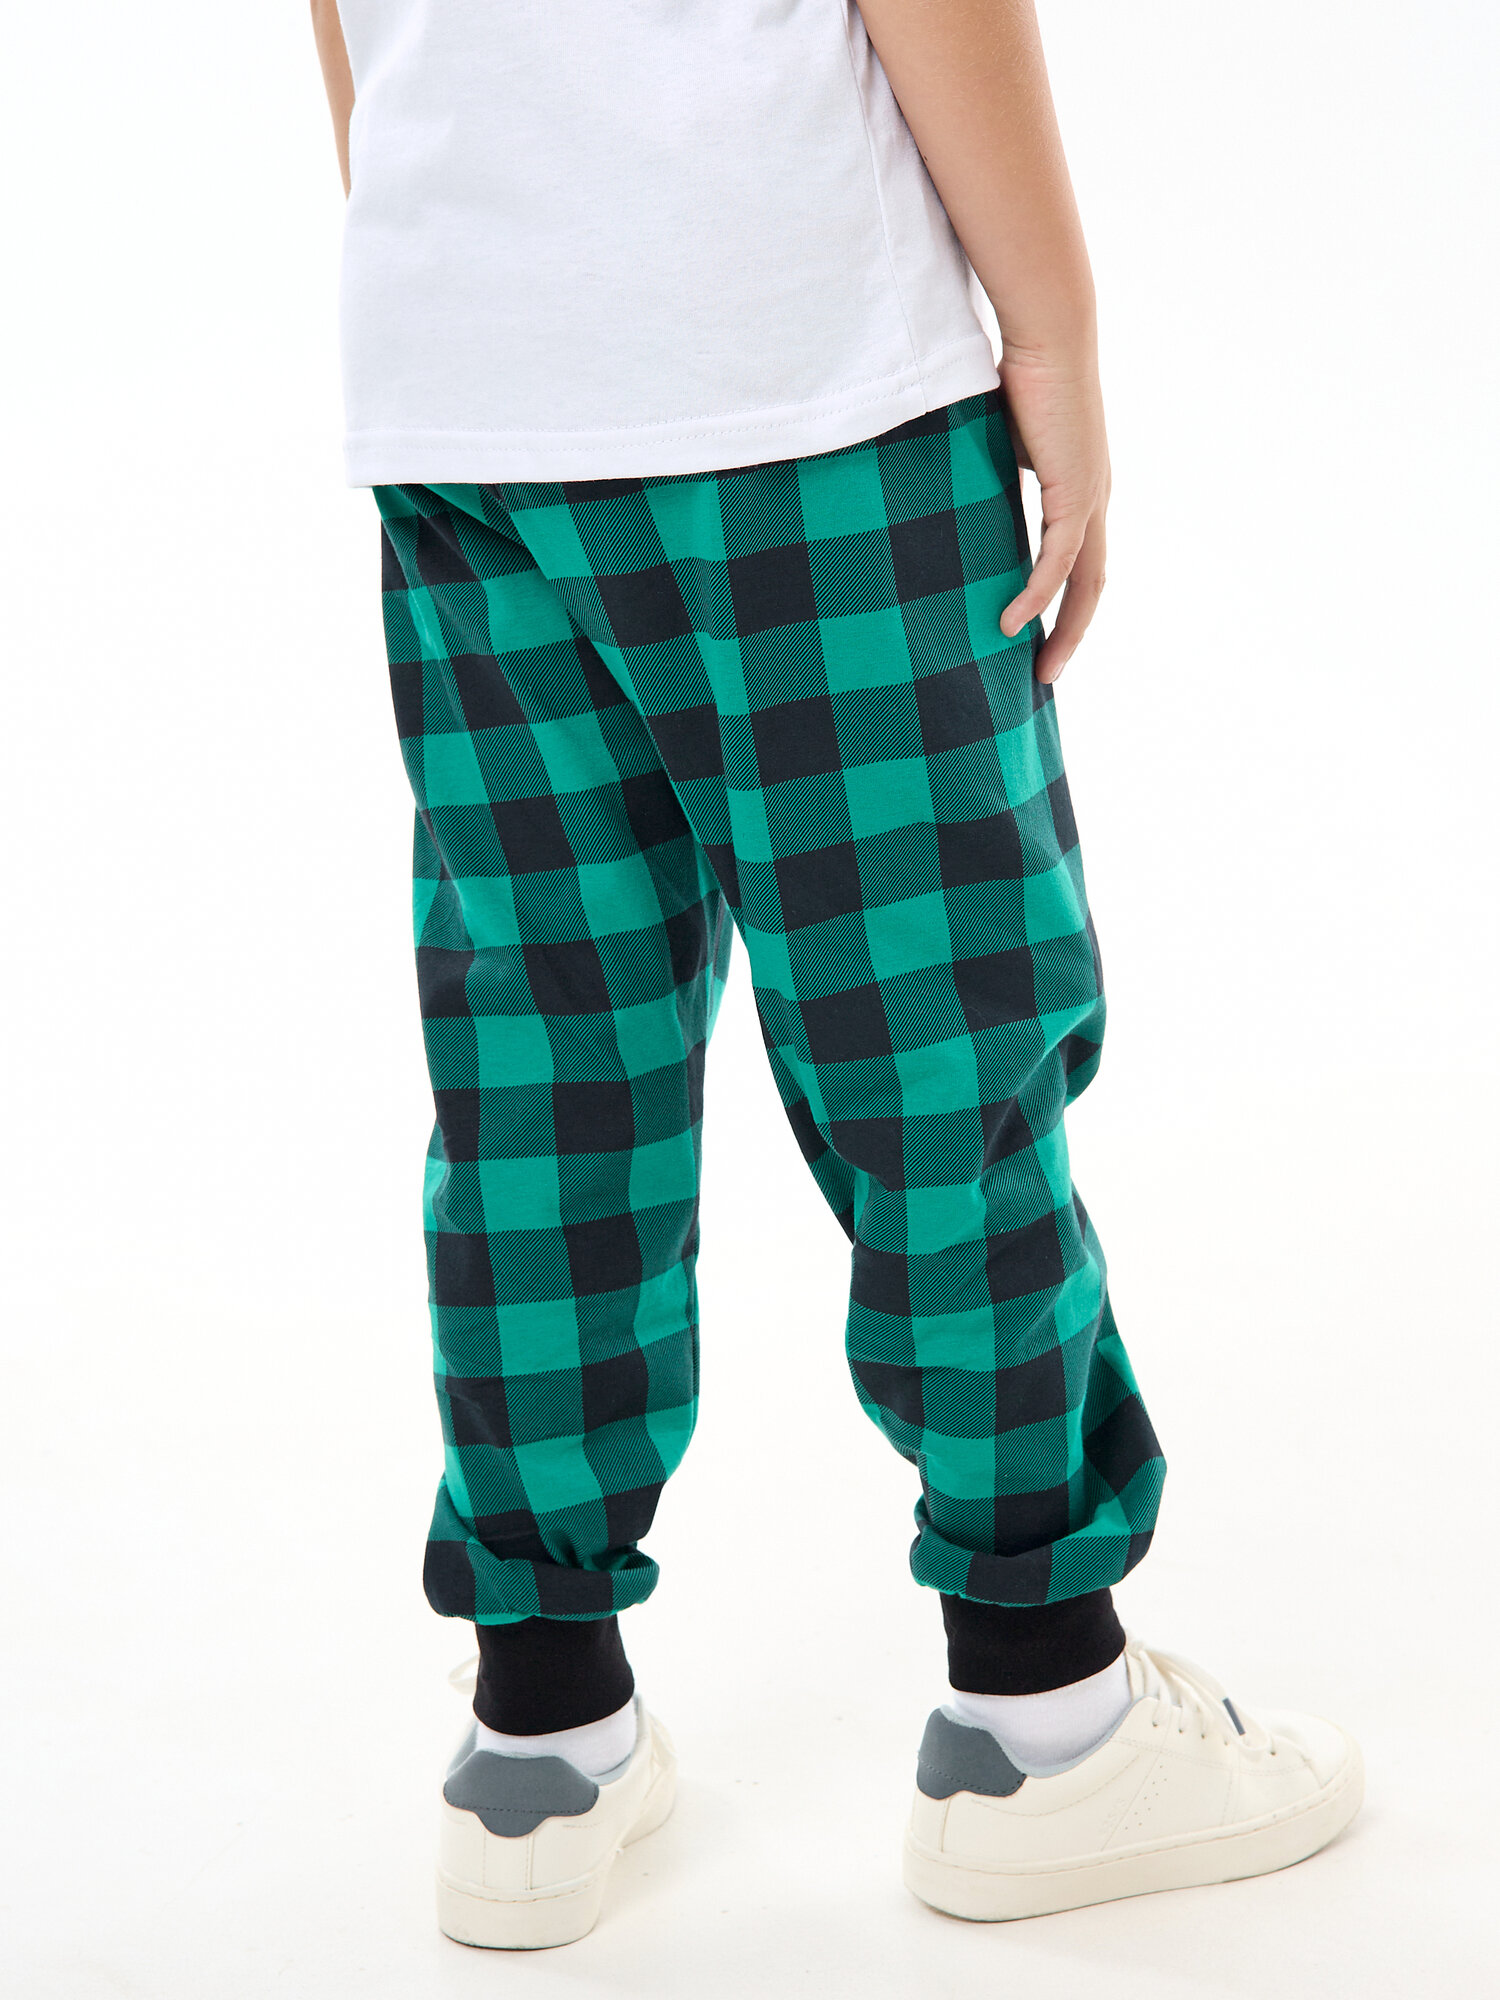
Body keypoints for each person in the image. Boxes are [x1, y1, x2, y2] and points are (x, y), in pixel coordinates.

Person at [310, 0, 1361, 1948]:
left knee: (544, 1063)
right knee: (932, 1037)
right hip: (793, 378)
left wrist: (480, 265)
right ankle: (1044, 1712)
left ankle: (541, 1736)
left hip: (461, 381)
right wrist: (1055, 338)